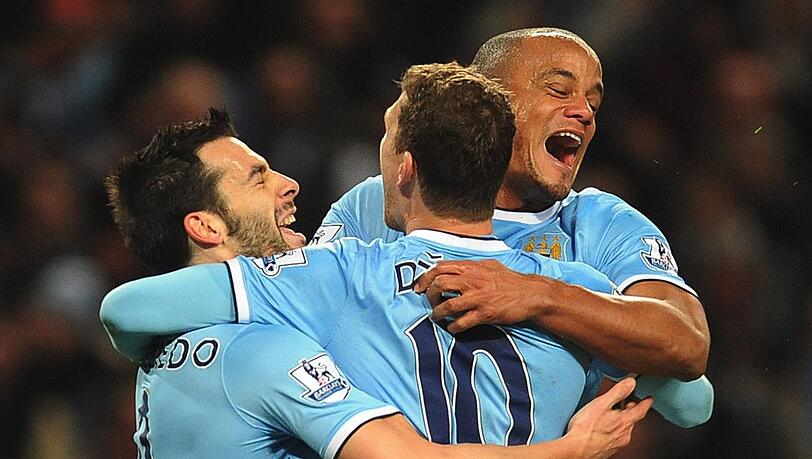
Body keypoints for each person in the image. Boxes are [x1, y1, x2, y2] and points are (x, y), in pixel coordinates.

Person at [101, 63, 710, 454]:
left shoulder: (332, 280)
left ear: (408, 168)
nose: (288, 184)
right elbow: (691, 396)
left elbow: (125, 308)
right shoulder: (578, 285)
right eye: (258, 177)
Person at [311, 28, 710, 383]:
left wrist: (538, 295)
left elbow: (687, 343)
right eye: (559, 90)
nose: (585, 113)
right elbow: (297, 316)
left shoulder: (600, 224)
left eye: (593, 102)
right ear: (490, 100)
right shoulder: (377, 200)